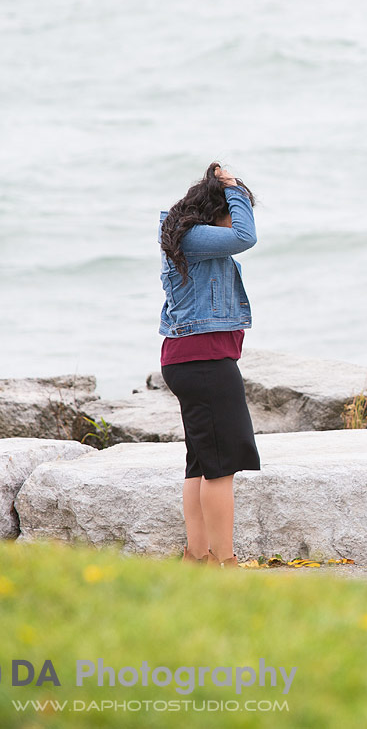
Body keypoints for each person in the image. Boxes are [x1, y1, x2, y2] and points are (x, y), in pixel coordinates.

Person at [158, 162, 260, 569]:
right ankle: (225, 562)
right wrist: (233, 186)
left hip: (193, 360)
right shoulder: (195, 237)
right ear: (216, 209)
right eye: (232, 208)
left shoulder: (188, 238)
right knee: (221, 467)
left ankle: (196, 557)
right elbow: (245, 236)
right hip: (205, 361)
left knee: (201, 462)